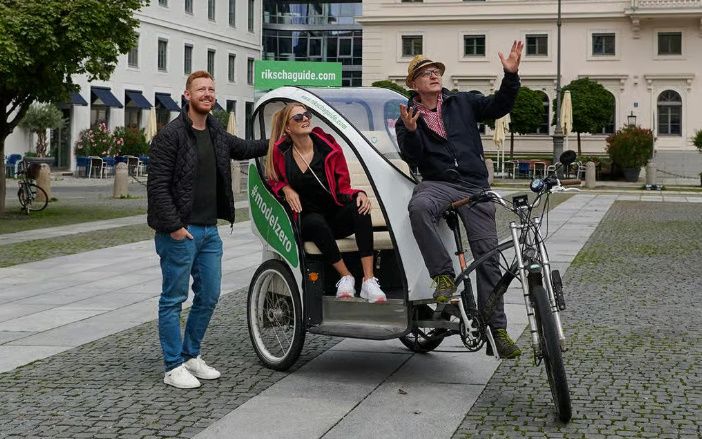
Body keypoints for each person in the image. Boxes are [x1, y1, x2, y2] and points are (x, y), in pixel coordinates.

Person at [395, 42, 524, 359]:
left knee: (488, 257)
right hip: (438, 183)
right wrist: (411, 131)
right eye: (425, 73)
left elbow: (499, 106)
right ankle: (443, 276)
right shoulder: (407, 117)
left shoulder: (463, 101)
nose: (433, 75)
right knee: (419, 207)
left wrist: (510, 75)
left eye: (436, 71)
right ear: (414, 84)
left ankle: (497, 330)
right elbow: (412, 158)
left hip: (474, 185)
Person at [147, 70, 268, 388]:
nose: (207, 93)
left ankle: (190, 356)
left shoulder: (216, 132)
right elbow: (157, 186)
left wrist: (284, 137)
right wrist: (175, 227)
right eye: (200, 89)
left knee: (210, 295)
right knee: (173, 299)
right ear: (187, 95)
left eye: (211, 89)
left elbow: (247, 148)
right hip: (180, 232)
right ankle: (172, 366)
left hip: (210, 232)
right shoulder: (170, 135)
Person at [265, 102, 387, 304]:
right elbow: (272, 180)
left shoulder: (328, 147)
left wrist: (359, 194)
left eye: (307, 114)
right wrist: (285, 188)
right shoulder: (281, 152)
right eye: (298, 117)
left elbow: (343, 186)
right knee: (316, 222)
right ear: (288, 128)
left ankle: (368, 280)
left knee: (361, 208)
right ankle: (346, 276)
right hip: (307, 219)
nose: (305, 119)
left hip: (334, 215)